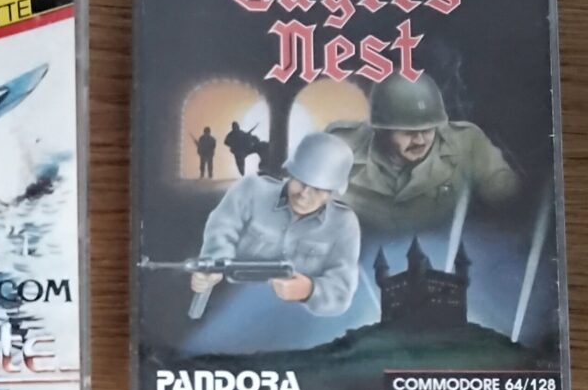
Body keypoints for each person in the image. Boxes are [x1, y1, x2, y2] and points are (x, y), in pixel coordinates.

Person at [191, 132, 360, 317]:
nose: (304, 194)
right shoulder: (251, 190)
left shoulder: (343, 224)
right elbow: (221, 230)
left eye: (318, 189)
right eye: (300, 181)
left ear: (332, 192)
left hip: (294, 323)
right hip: (227, 311)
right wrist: (213, 266)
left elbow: (341, 291)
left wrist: (310, 290)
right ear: (290, 173)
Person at [326, 72, 519, 234]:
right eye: (408, 132)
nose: (419, 140)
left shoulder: (466, 144)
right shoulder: (339, 149)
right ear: (382, 129)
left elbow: (508, 195)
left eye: (427, 130)